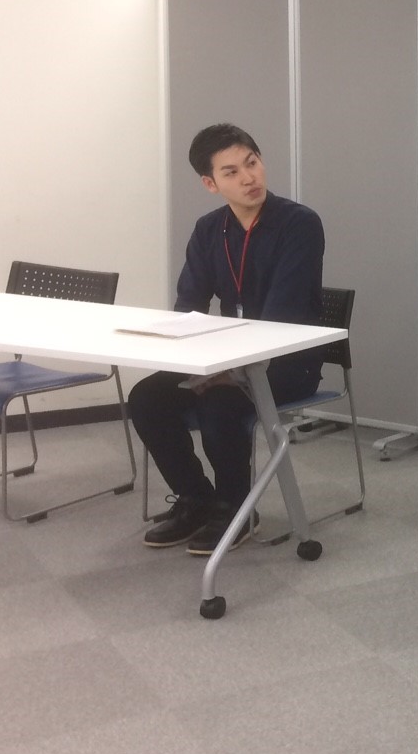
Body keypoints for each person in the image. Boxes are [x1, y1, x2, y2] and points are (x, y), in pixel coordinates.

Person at [130, 124, 325, 555]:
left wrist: (231, 372)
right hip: (227, 358)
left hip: (287, 362)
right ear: (211, 183)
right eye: (231, 172)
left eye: (251, 163)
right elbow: (189, 305)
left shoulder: (299, 224)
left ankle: (236, 509)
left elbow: (283, 314)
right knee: (147, 398)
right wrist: (197, 364)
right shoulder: (208, 230)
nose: (248, 178)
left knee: (221, 403)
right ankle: (196, 499)